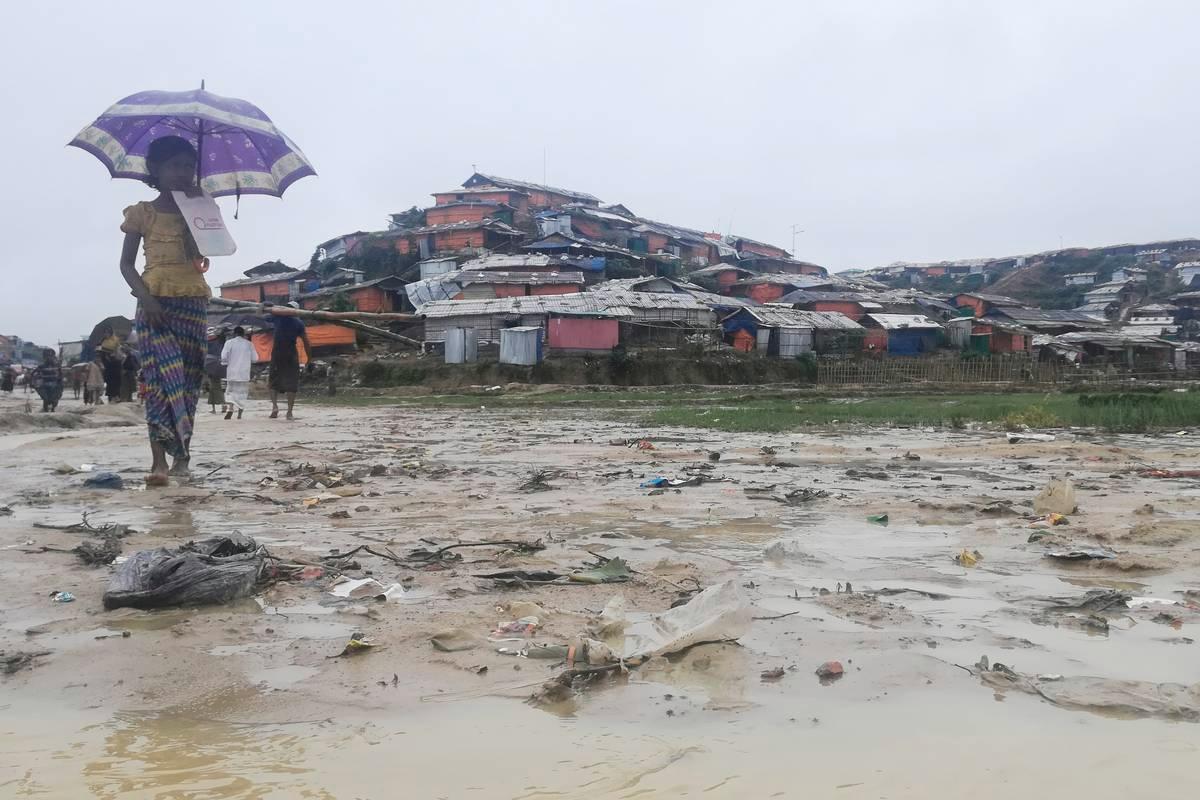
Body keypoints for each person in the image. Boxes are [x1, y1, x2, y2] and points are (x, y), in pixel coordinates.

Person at [119, 135, 210, 486]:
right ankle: (158, 461)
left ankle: (182, 457)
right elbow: (126, 265)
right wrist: (147, 300)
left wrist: (199, 219)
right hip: (154, 303)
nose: (182, 172)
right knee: (157, 380)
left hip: (192, 302)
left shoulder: (200, 209)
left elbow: (206, 259)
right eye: (174, 165)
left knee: (187, 381)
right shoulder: (142, 212)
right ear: (155, 169)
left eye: (189, 165)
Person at [269, 303, 311, 420]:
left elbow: (258, 315)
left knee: (273, 381)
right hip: (290, 352)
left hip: (277, 351)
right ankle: (289, 412)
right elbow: (306, 342)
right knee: (291, 382)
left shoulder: (277, 317)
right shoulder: (298, 322)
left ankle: (275, 407)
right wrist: (309, 358)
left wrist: (262, 306)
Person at [220, 326, 256, 419]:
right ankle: (240, 414)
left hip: (232, 372)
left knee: (230, 392)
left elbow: (224, 357)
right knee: (242, 393)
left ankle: (230, 409)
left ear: (234, 333)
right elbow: (255, 359)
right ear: (243, 334)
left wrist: (226, 362)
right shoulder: (249, 344)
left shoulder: (229, 343)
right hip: (244, 373)